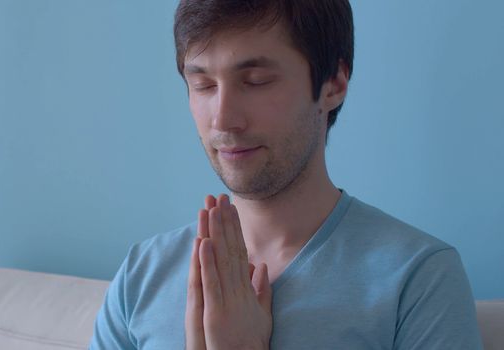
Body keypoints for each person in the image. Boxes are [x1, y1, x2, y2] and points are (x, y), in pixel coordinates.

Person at [90, 1, 483, 349]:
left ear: (334, 84)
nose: (223, 119)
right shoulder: (142, 274)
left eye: (256, 81)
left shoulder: (418, 279)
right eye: (203, 85)